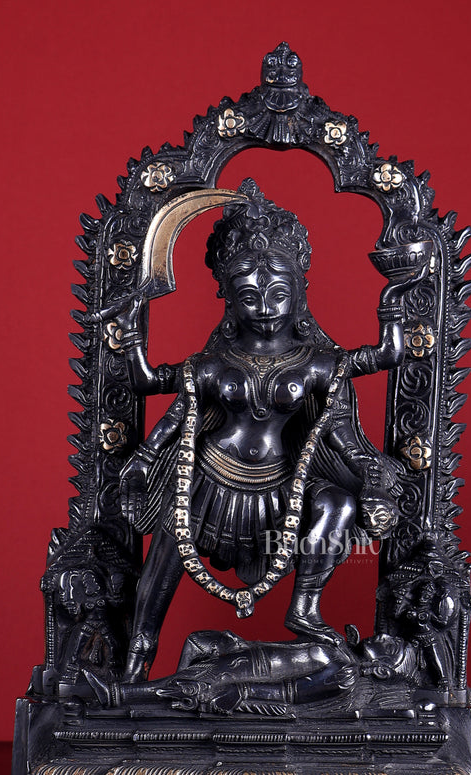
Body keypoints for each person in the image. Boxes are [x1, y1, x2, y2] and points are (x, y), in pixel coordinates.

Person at [115, 179, 405, 683]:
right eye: (249, 296)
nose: (266, 308)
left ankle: (305, 608)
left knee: (337, 505)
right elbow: (159, 395)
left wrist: (372, 477)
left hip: (283, 485)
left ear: (300, 292)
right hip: (206, 480)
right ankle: (136, 660)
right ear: (227, 297)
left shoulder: (318, 364)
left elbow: (347, 421)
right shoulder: (211, 363)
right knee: (162, 561)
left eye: (278, 294)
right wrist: (131, 326)